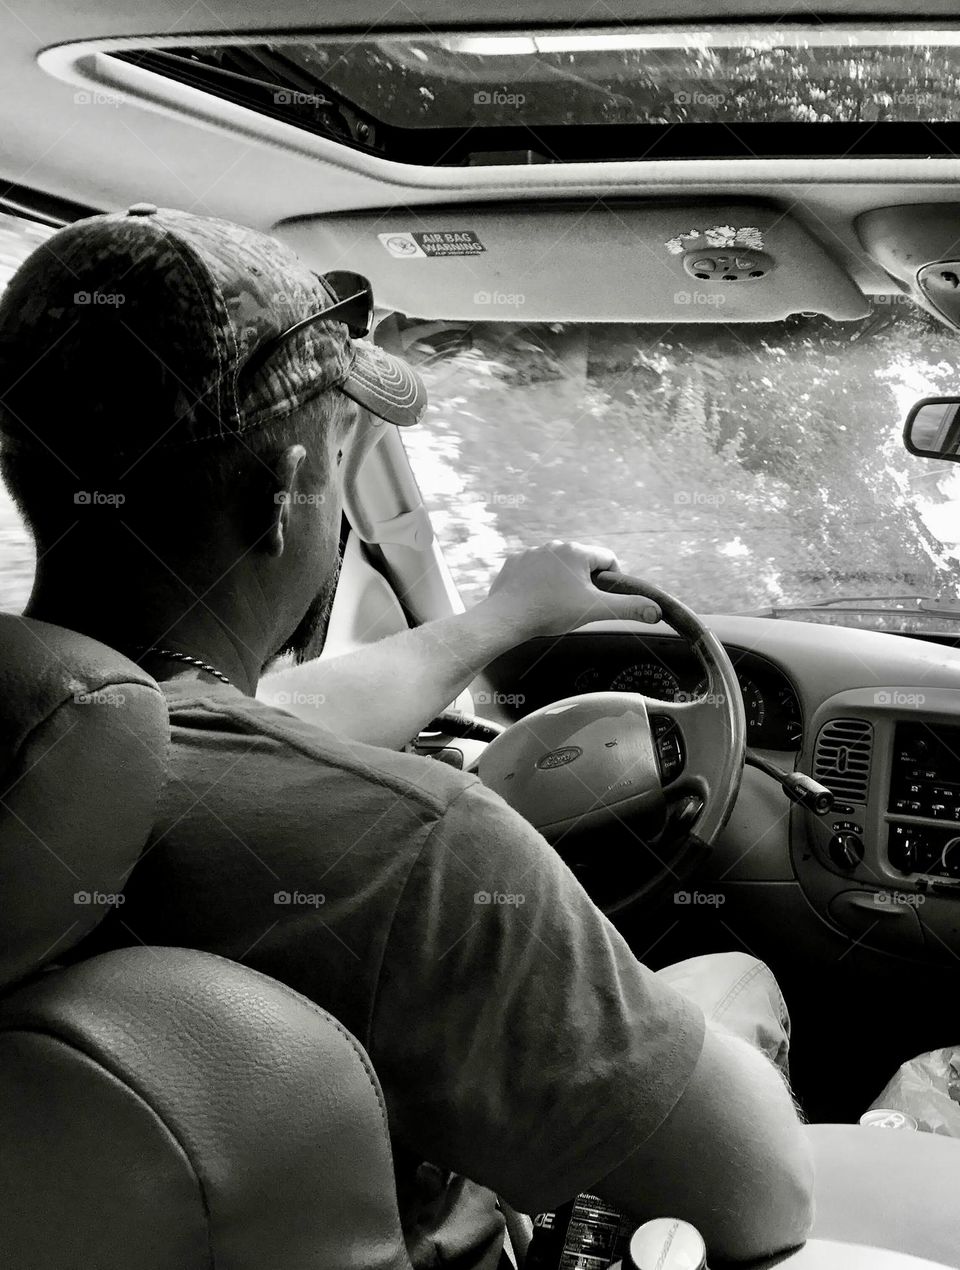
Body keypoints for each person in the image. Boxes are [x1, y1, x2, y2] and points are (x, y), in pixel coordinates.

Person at [0, 206, 812, 1268]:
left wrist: (498, 623)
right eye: (340, 460)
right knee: (737, 987)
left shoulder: (52, 744)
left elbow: (245, 721)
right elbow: (764, 1199)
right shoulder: (412, 850)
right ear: (293, 492)